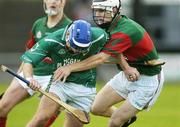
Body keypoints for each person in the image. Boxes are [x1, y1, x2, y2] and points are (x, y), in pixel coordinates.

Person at [52, 0, 165, 127]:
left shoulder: (125, 30)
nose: (99, 14)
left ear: (116, 10)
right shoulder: (109, 25)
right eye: (96, 10)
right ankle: (125, 118)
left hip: (147, 79)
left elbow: (101, 59)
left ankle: (120, 119)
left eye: (103, 11)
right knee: (96, 108)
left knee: (114, 122)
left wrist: (69, 68)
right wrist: (126, 68)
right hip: (128, 75)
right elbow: (116, 51)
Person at [21, 20, 108, 127]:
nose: (77, 51)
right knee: (42, 117)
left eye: (82, 48)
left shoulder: (100, 36)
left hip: (85, 87)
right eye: (75, 46)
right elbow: (28, 60)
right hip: (59, 84)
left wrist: (69, 68)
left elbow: (106, 55)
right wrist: (29, 78)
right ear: (67, 36)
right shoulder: (52, 40)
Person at [0, 0, 71, 127]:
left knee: (41, 119)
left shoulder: (70, 27)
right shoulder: (38, 24)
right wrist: (17, 78)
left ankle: (54, 112)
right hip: (32, 73)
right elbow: (29, 53)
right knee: (2, 107)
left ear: (63, 2)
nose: (52, 2)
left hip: (55, 79)